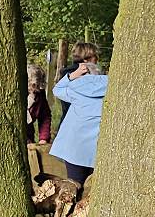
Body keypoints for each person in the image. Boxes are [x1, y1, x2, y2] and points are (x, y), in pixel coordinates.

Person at [49, 57, 106, 185]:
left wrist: (72, 75)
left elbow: (57, 90)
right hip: (97, 150)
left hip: (74, 150)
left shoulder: (75, 90)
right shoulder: (111, 89)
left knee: (74, 185)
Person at [53, 40, 99, 131]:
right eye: (95, 56)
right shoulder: (85, 75)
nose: (97, 59)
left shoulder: (67, 75)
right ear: (86, 58)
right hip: (80, 125)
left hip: (67, 124)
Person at [25, 63, 53, 144]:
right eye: (33, 85)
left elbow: (45, 117)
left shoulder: (39, 94)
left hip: (29, 136)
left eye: (37, 85)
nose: (35, 88)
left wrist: (44, 138)